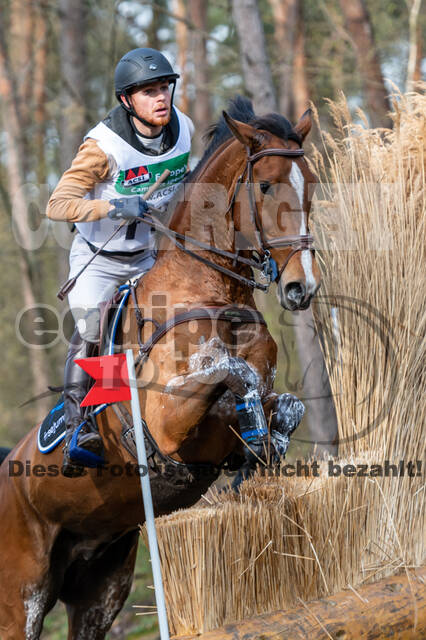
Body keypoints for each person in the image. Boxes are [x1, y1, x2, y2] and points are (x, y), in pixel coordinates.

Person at [47, 48, 194, 477]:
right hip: (99, 260)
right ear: (127, 101)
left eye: (164, 87)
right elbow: (58, 205)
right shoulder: (102, 146)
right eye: (149, 92)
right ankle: (78, 425)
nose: (161, 98)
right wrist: (112, 208)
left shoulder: (181, 129)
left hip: (150, 256)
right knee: (93, 327)